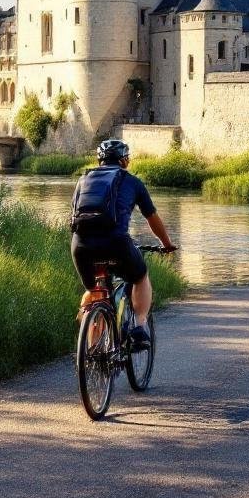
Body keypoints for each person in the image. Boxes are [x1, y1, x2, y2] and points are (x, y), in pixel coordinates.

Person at [70, 138, 176, 351]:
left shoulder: (83, 179)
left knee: (93, 289)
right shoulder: (132, 181)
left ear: (99, 160)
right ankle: (138, 328)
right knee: (140, 277)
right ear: (125, 161)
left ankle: (91, 344)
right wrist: (166, 243)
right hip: (116, 242)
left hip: (80, 245)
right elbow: (152, 218)